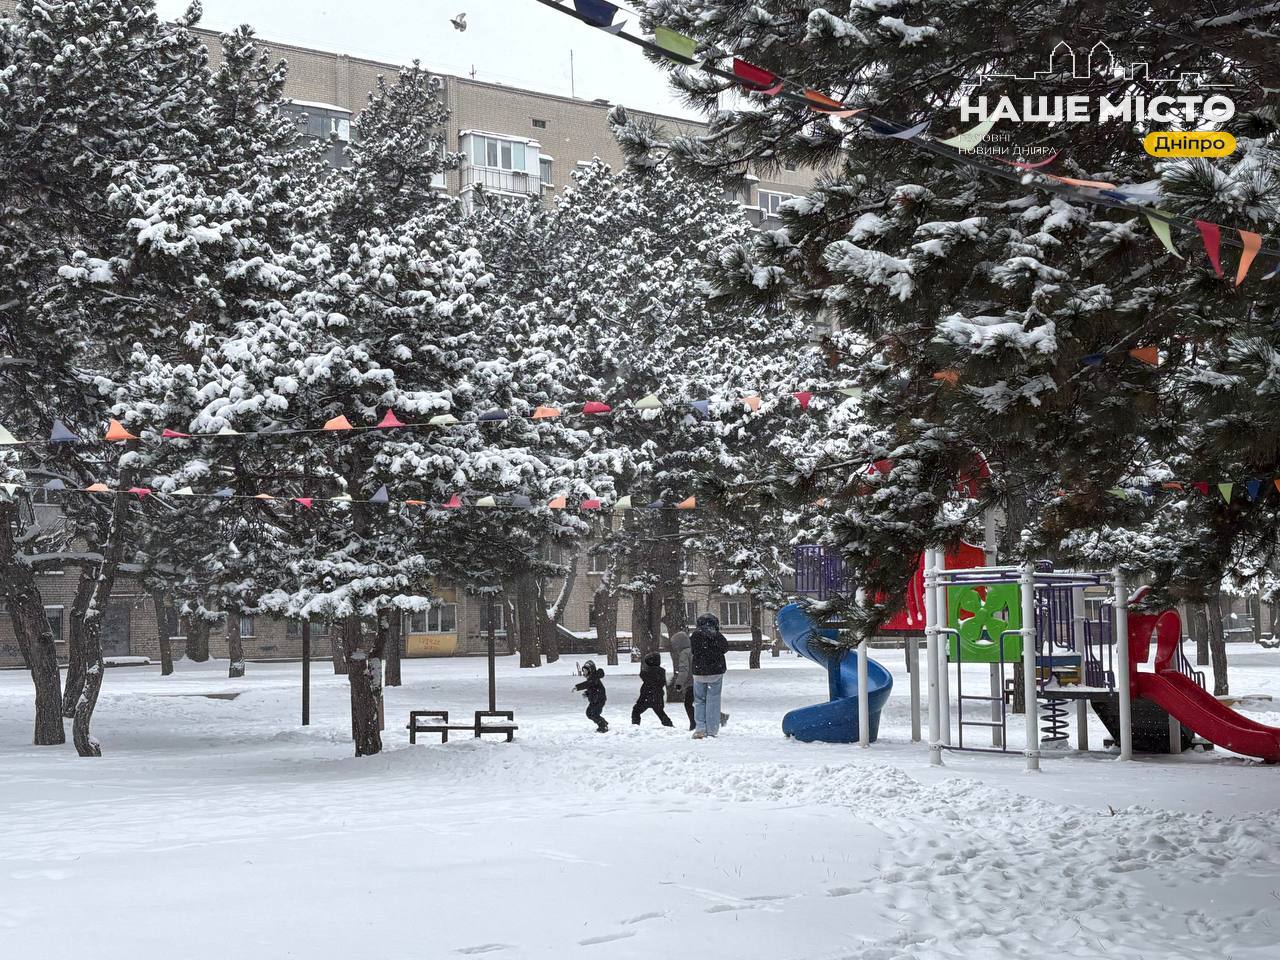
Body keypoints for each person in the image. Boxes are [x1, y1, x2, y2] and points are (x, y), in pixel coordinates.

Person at [690, 613, 730, 739]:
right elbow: (725, 648)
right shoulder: (717, 635)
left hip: (699, 672)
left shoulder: (695, 635)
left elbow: (692, 650)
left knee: (699, 700)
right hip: (716, 671)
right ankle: (712, 729)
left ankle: (700, 728)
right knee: (713, 699)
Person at [632, 652, 674, 726]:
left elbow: (643, 675)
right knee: (660, 712)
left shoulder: (648, 672)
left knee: (636, 711)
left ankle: (635, 725)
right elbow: (661, 682)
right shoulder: (661, 671)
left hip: (647, 695)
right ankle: (669, 724)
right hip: (657, 696)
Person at [668, 627, 696, 730]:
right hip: (698, 680)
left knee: (688, 704)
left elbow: (684, 670)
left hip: (691, 683)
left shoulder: (684, 654)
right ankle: (718, 716)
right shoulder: (693, 650)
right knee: (701, 702)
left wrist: (679, 683)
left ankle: (694, 724)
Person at [574, 660, 608, 732]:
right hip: (594, 700)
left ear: (590, 670)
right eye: (583, 671)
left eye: (585, 671)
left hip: (599, 700)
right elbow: (592, 688)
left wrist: (577, 687)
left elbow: (588, 684)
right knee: (589, 713)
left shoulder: (594, 678)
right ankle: (603, 723)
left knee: (595, 714)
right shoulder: (591, 679)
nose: (584, 673)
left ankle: (603, 726)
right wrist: (587, 693)